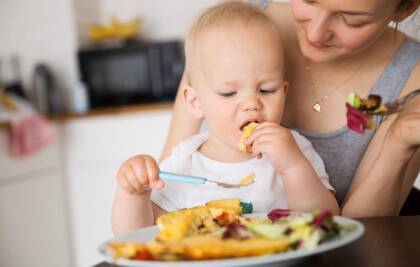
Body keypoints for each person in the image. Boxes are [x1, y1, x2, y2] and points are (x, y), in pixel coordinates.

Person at [161, 0, 420, 218]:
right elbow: (166, 192)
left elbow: (350, 236)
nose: (316, 32)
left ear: (405, 8)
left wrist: (399, 142)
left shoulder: (412, 77)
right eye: (309, 0)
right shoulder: (234, 27)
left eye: (351, 20)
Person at [111, 1, 339, 235]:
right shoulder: (185, 162)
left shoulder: (294, 149)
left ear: (285, 92)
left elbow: (328, 222)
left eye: (267, 90)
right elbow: (138, 234)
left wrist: (293, 166)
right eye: (229, 93)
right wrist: (134, 195)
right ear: (195, 102)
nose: (252, 104)